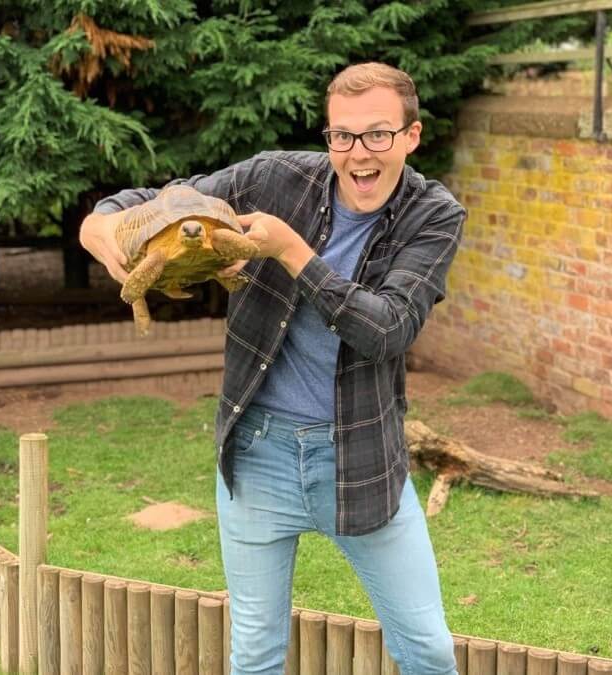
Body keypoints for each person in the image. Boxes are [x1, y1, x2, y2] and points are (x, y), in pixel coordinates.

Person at [80, 62, 466, 675]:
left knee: (427, 649)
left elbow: (388, 330)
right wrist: (97, 222)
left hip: (361, 454)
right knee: (256, 653)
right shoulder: (274, 177)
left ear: (411, 137)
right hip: (259, 452)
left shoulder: (433, 214)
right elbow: (161, 199)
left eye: (377, 135)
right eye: (342, 136)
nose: (357, 153)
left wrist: (291, 250)